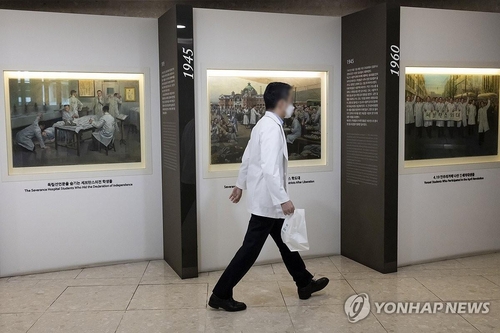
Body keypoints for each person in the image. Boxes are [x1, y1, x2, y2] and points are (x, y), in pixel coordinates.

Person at [209, 82, 329, 312]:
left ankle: (304, 282)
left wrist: (240, 184)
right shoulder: (272, 129)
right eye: (291, 101)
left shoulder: (262, 125)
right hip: (269, 201)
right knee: (249, 250)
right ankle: (220, 293)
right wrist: (283, 198)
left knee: (286, 242)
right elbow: (270, 168)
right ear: (282, 103)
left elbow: (247, 158)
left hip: (266, 199)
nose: (293, 105)